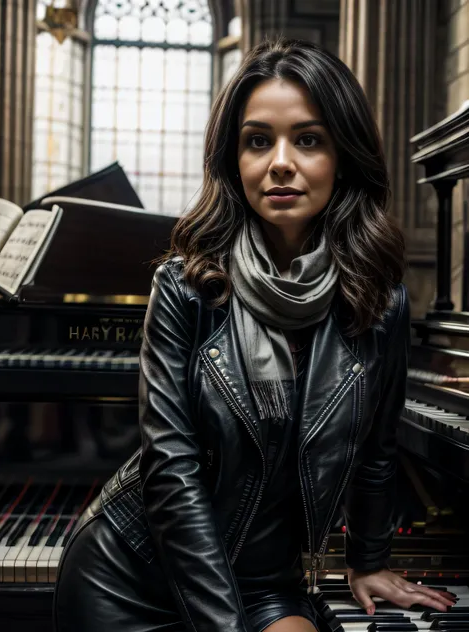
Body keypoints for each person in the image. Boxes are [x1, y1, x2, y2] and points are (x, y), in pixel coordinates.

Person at [53, 36, 457, 632]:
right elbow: (171, 469)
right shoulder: (186, 289)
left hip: (264, 581)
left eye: (309, 139)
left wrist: (367, 560)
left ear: (343, 155)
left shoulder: (380, 301)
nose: (281, 162)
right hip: (134, 577)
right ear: (234, 160)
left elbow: (377, 449)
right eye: (258, 141)